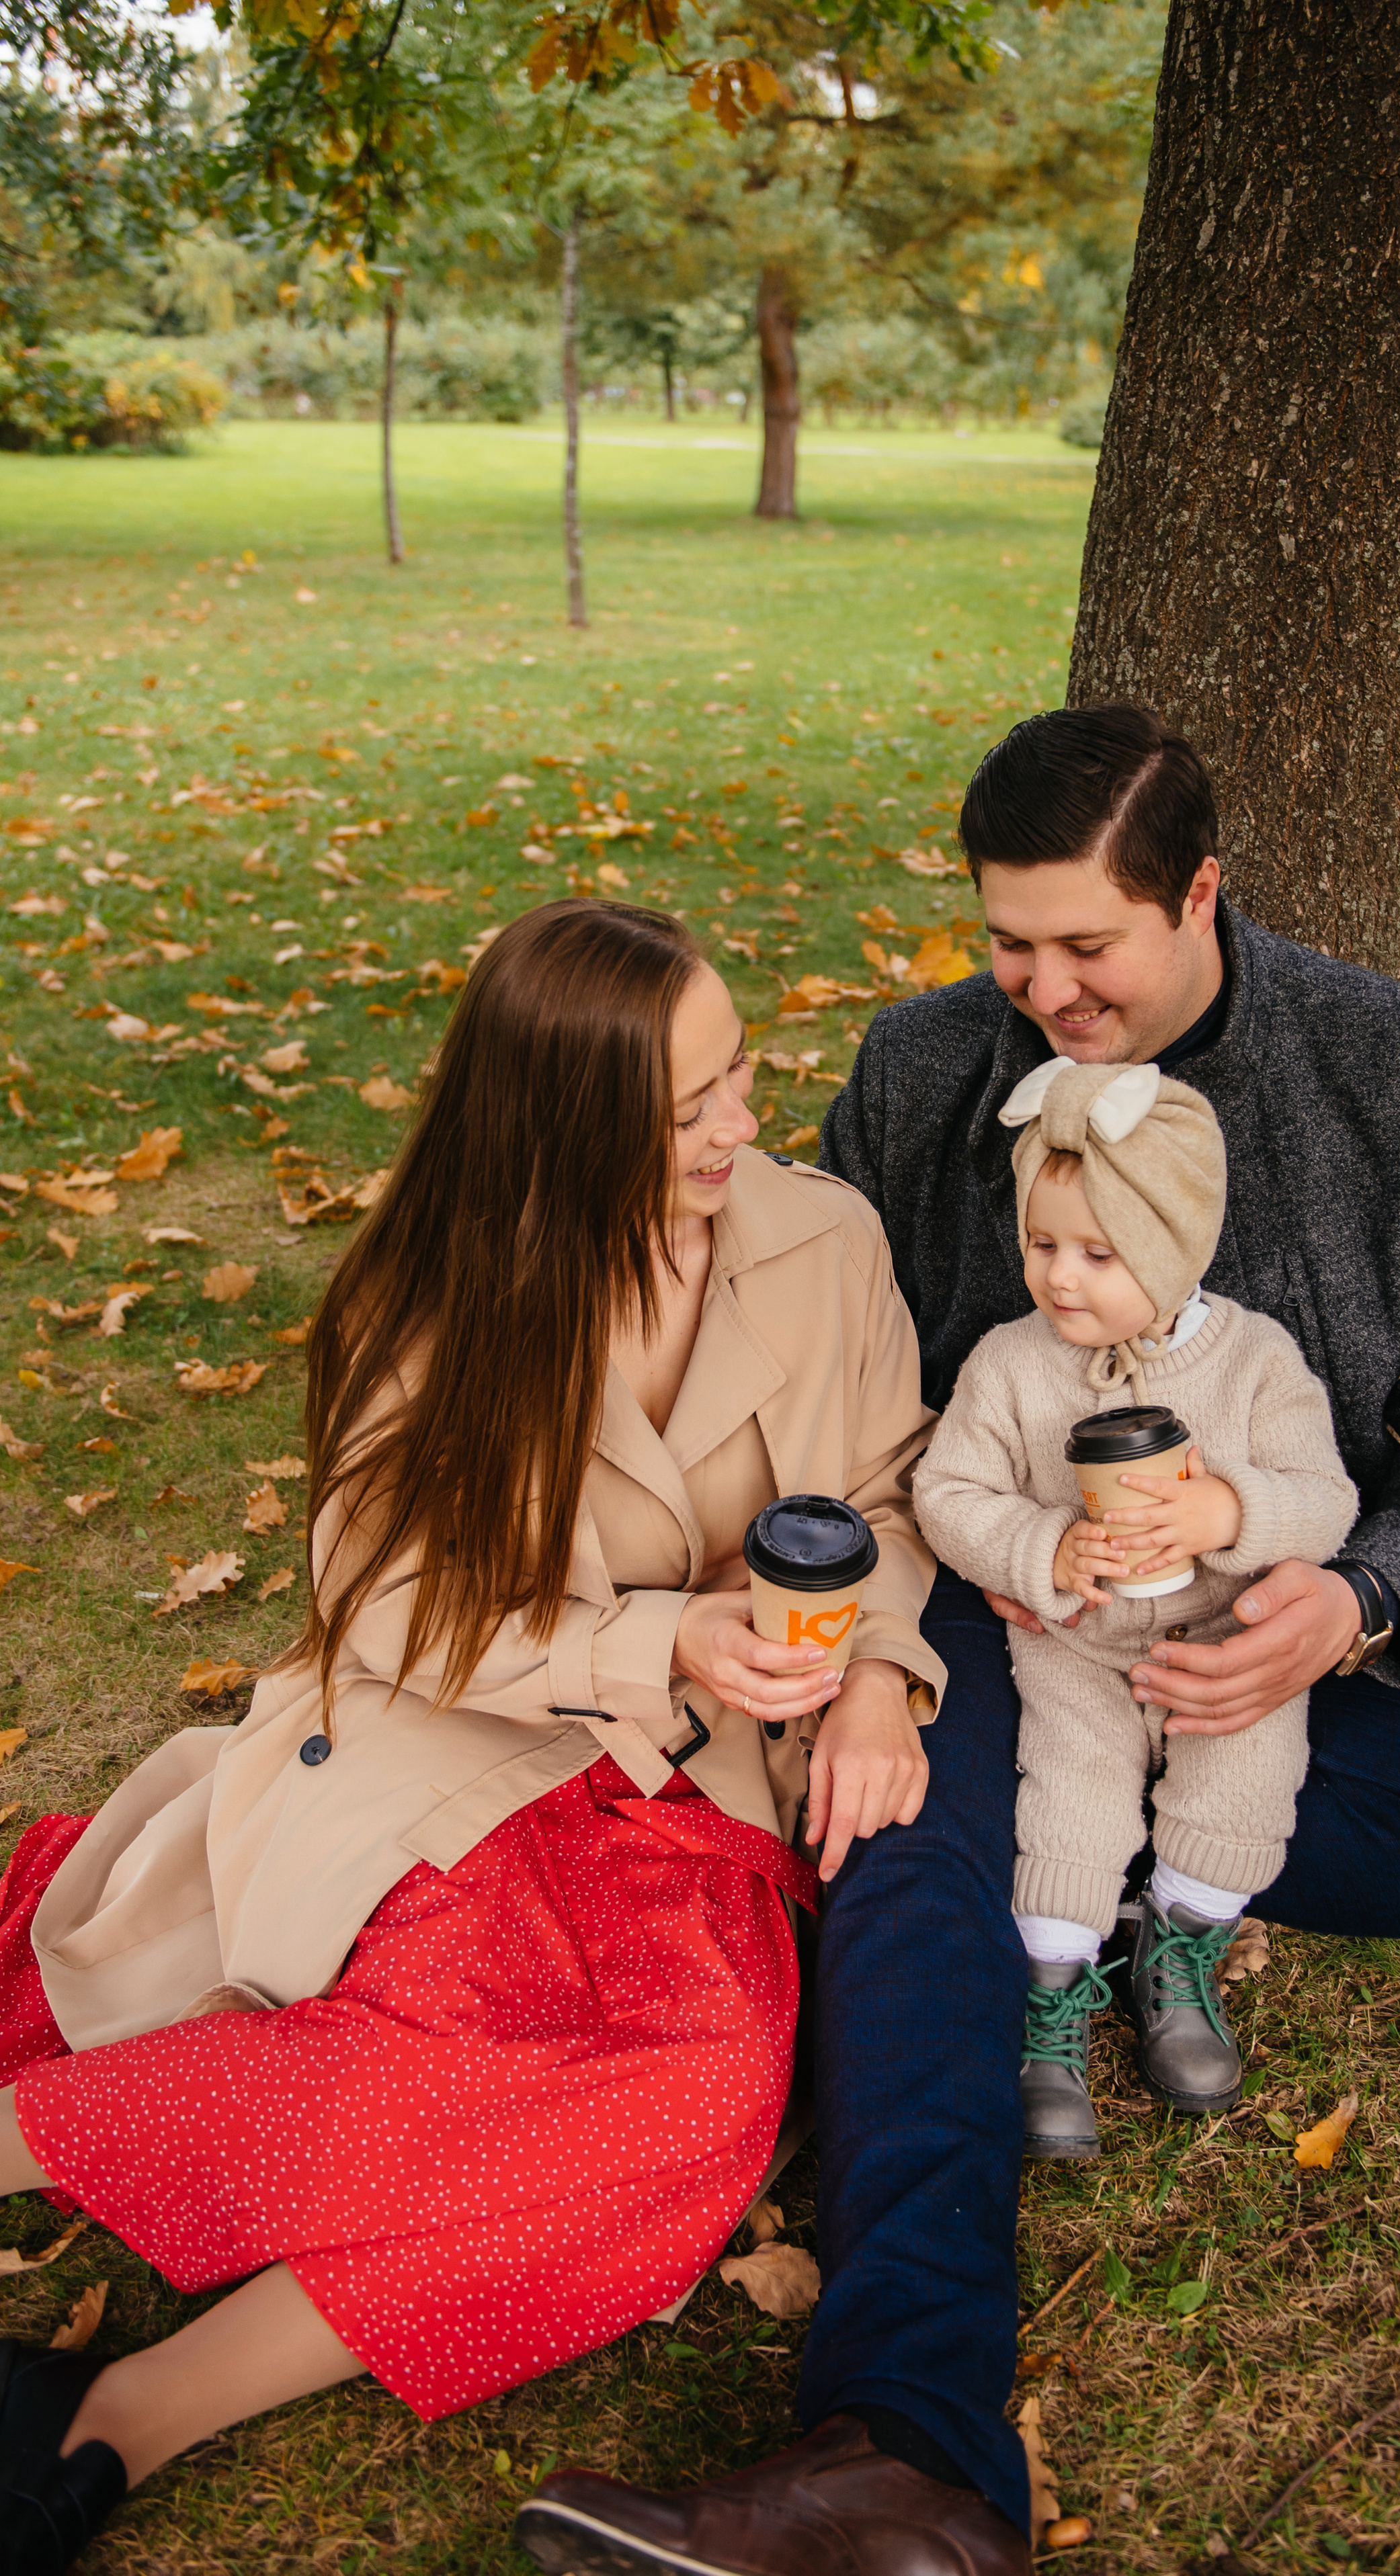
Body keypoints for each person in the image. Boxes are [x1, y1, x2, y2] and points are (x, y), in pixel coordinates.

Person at [526, 701, 1400, 2576]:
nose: (1046, 988)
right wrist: (942, 1597)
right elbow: (833, 1342)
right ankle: (904, 2448)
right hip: (1012, 1597)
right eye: (1010, 943)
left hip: (1295, 1614)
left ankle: (1090, 1876)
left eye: (1090, 947)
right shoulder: (929, 1070)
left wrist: (1354, 1598)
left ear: (1203, 898)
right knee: (906, 1833)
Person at [0, 900, 946, 2576]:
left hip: (700, 1797)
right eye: (689, 1111)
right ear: (570, 1129)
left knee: (692, 2112)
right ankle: (67, 2264)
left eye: (740, 1079)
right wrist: (661, 1632)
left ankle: (120, 2415)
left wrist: (874, 1672)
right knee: (474, 2058)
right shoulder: (436, 1298)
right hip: (466, 1760)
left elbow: (882, 1495)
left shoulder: (826, 1239)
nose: (741, 1125)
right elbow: (389, 1606)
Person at [913, 1057, 1357, 2139]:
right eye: (1042, 1243)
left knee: (1248, 1773)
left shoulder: (1254, 1360)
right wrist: (1042, 1544)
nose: (1061, 1277)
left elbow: (1325, 1496)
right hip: (1078, 1646)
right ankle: (1053, 1995)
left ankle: (1181, 1937)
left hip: (1221, 1634)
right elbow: (946, 1492)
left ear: (1177, 1244)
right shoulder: (1011, 1366)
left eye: (1099, 1253)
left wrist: (1227, 1514)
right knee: (1068, 1791)